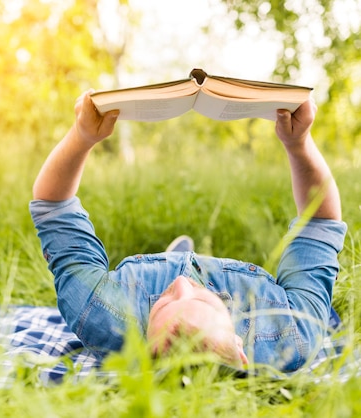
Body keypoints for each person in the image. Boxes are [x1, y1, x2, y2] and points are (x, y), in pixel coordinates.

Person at [30, 91, 346, 372]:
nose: (183, 283)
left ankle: (173, 256)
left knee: (170, 276)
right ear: (240, 348)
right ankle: (177, 262)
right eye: (205, 301)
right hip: (244, 288)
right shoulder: (291, 335)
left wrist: (82, 136)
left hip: (139, 284)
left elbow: (52, 205)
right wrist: (299, 144)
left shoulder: (101, 314)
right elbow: (319, 223)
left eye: (165, 304)